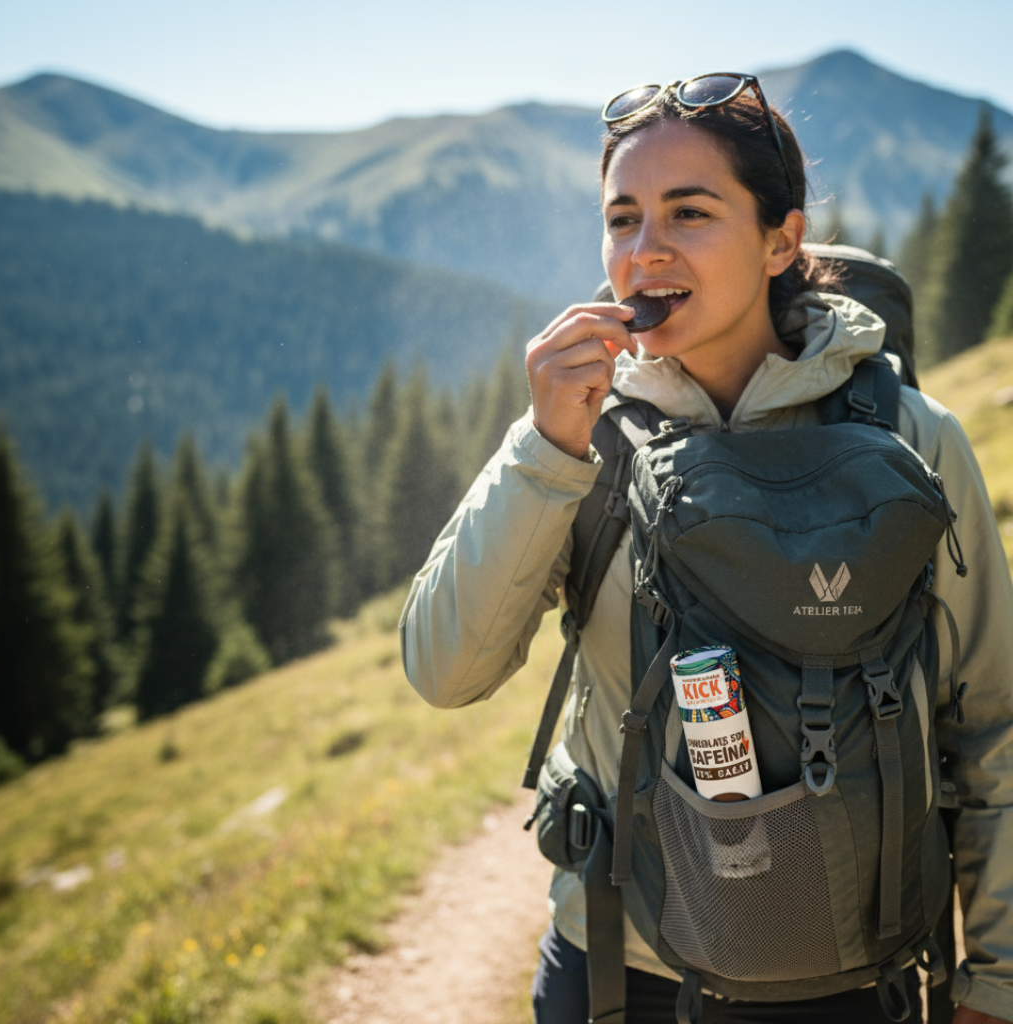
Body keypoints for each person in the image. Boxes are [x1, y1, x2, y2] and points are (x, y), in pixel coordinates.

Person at [399, 73, 1013, 1024]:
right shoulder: (580, 436)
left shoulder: (913, 438)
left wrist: (998, 982)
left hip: (861, 984)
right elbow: (444, 670)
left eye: (689, 213)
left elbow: (997, 725)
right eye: (622, 220)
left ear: (781, 240)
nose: (644, 254)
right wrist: (543, 446)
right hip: (621, 974)